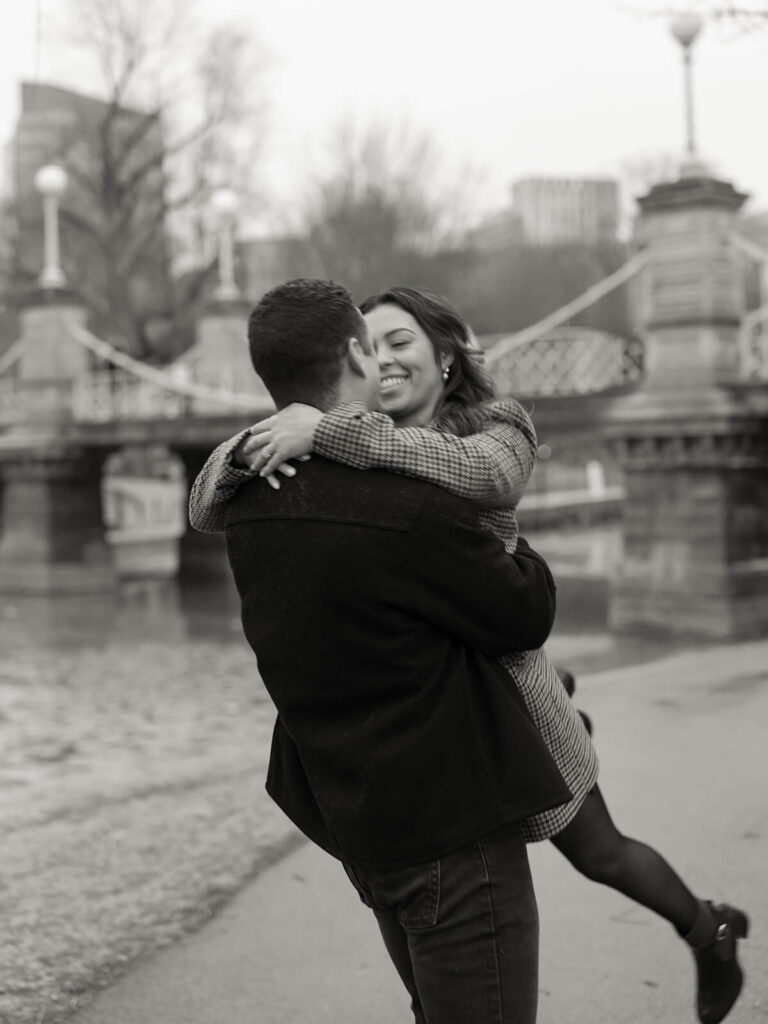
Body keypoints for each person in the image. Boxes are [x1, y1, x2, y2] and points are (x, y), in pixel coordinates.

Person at [190, 284, 749, 1024]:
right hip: (448, 700)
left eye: (402, 343)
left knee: (597, 851)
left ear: (445, 357)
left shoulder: (493, 427)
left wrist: (327, 431)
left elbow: (485, 478)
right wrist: (267, 437)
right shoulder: (339, 441)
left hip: (513, 689)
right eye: (374, 344)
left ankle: (710, 930)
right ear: (352, 356)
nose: (386, 360)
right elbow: (206, 502)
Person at [193, 277, 575, 1024]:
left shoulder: (249, 498)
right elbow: (524, 612)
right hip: (452, 830)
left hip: (359, 823)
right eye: (375, 343)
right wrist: (511, 546)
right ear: (355, 355)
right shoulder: (410, 502)